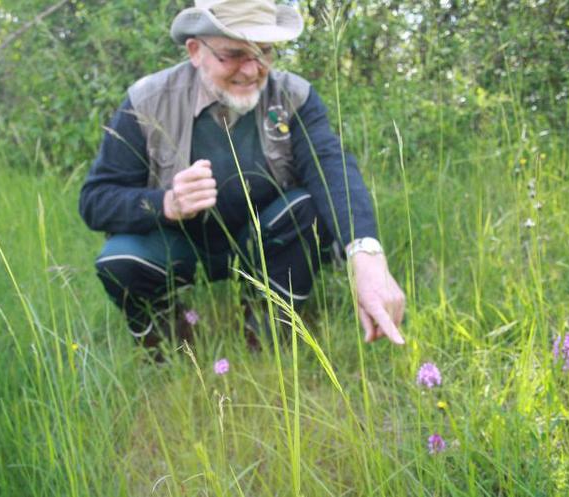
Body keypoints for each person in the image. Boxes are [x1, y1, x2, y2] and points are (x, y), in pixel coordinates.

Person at [79, 0, 405, 351]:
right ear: (195, 51)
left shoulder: (293, 96)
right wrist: (167, 203)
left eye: (264, 52)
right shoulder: (147, 101)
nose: (251, 70)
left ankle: (269, 324)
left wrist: (365, 253)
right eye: (232, 54)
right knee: (119, 259)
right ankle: (169, 341)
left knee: (306, 207)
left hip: (266, 240)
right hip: (181, 244)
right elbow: (95, 200)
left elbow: (332, 169)